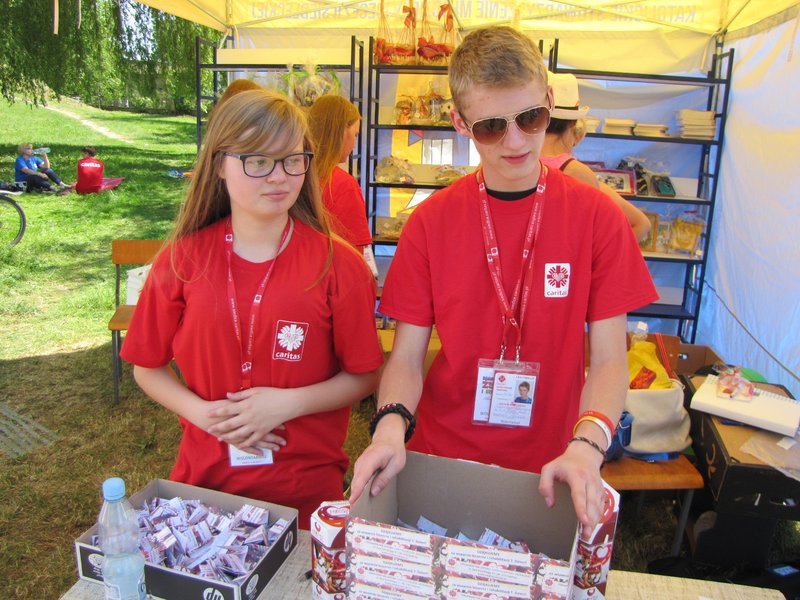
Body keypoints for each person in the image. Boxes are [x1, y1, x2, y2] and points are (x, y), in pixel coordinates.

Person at [350, 26, 658, 538]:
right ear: (460, 123)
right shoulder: (430, 223)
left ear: (550, 103)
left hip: (554, 464)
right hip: (443, 457)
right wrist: (389, 426)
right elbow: (405, 357)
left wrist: (588, 444)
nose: (515, 141)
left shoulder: (597, 218)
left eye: (530, 119)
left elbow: (609, 359)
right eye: (491, 127)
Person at [120, 89, 384, 528]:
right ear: (219, 165)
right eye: (258, 161)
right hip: (204, 489)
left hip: (303, 494)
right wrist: (204, 415)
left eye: (292, 160)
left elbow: (364, 374)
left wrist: (288, 404)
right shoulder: (182, 260)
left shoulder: (339, 265)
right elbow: (146, 367)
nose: (279, 177)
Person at [542, 72, 651, 242]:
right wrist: (604, 255)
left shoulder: (511, 166)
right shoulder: (578, 174)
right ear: (573, 123)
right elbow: (642, 224)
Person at [307, 95, 376, 276]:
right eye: (355, 134)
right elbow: (354, 255)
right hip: (330, 279)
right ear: (342, 131)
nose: (354, 143)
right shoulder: (342, 184)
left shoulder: (294, 175)